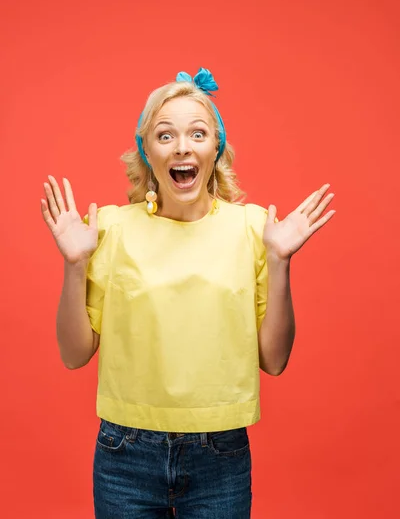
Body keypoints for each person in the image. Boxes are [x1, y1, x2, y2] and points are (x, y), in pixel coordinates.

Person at [41, 68, 335, 518]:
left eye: (198, 133)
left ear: (216, 148)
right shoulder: (112, 229)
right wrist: (74, 265)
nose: (182, 146)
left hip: (220, 454)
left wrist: (279, 262)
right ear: (147, 152)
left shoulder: (255, 229)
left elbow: (274, 360)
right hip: (125, 451)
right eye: (165, 135)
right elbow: (73, 353)